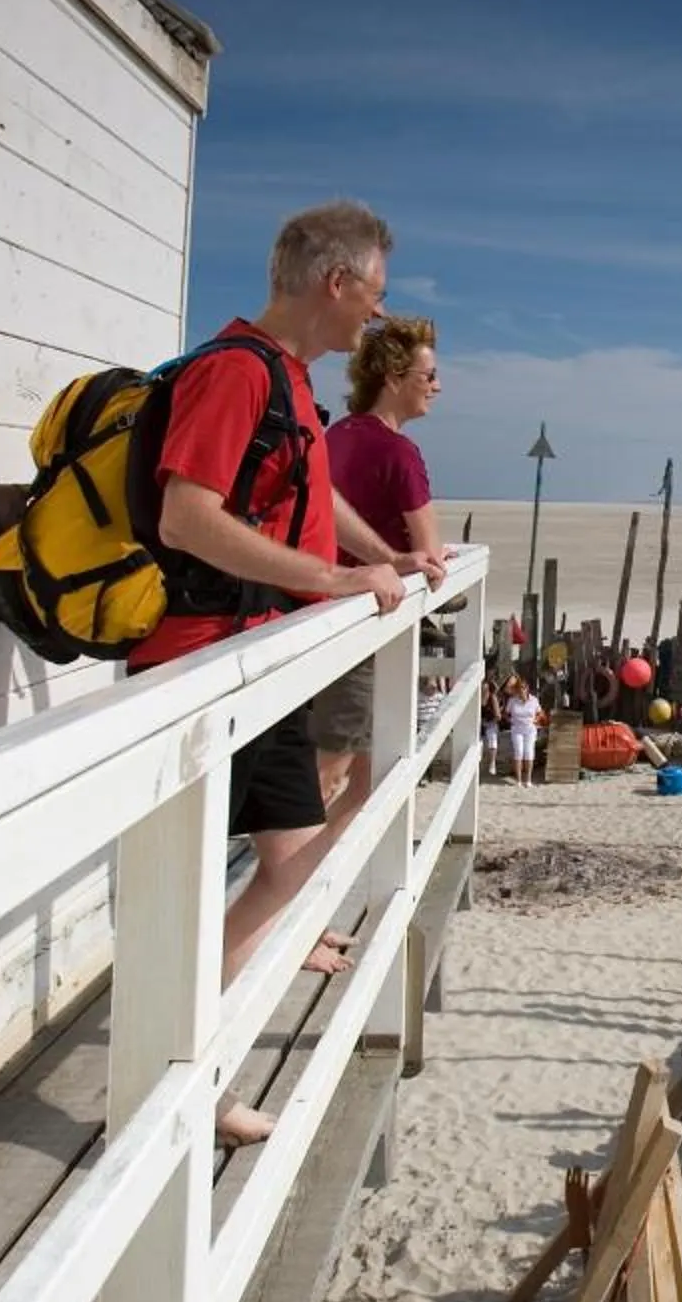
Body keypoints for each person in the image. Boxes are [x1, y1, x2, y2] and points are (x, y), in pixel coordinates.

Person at [129, 199, 447, 1147]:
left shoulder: (291, 382)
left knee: (298, 866)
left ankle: (199, 1054)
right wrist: (329, 580)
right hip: (201, 668)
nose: (376, 322)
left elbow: (318, 507)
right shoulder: (235, 373)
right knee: (233, 885)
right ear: (334, 282)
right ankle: (184, 1073)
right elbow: (188, 517)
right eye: (375, 298)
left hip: (256, 664)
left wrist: (384, 563)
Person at [313, 316, 445, 821]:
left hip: (319, 608)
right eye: (427, 375)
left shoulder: (334, 436)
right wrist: (413, 555)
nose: (437, 386)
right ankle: (300, 883)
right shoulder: (398, 452)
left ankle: (306, 873)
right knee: (338, 769)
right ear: (393, 378)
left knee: (349, 768)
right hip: (366, 617)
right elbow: (429, 553)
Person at [502, 673, 543, 788]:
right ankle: (519, 780)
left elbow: (540, 713)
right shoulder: (513, 701)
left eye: (524, 688)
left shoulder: (533, 700)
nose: (522, 691)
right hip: (517, 729)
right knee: (518, 752)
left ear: (527, 689)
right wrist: (510, 720)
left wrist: (536, 719)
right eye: (520, 688)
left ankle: (528, 780)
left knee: (529, 753)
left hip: (530, 729)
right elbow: (505, 713)